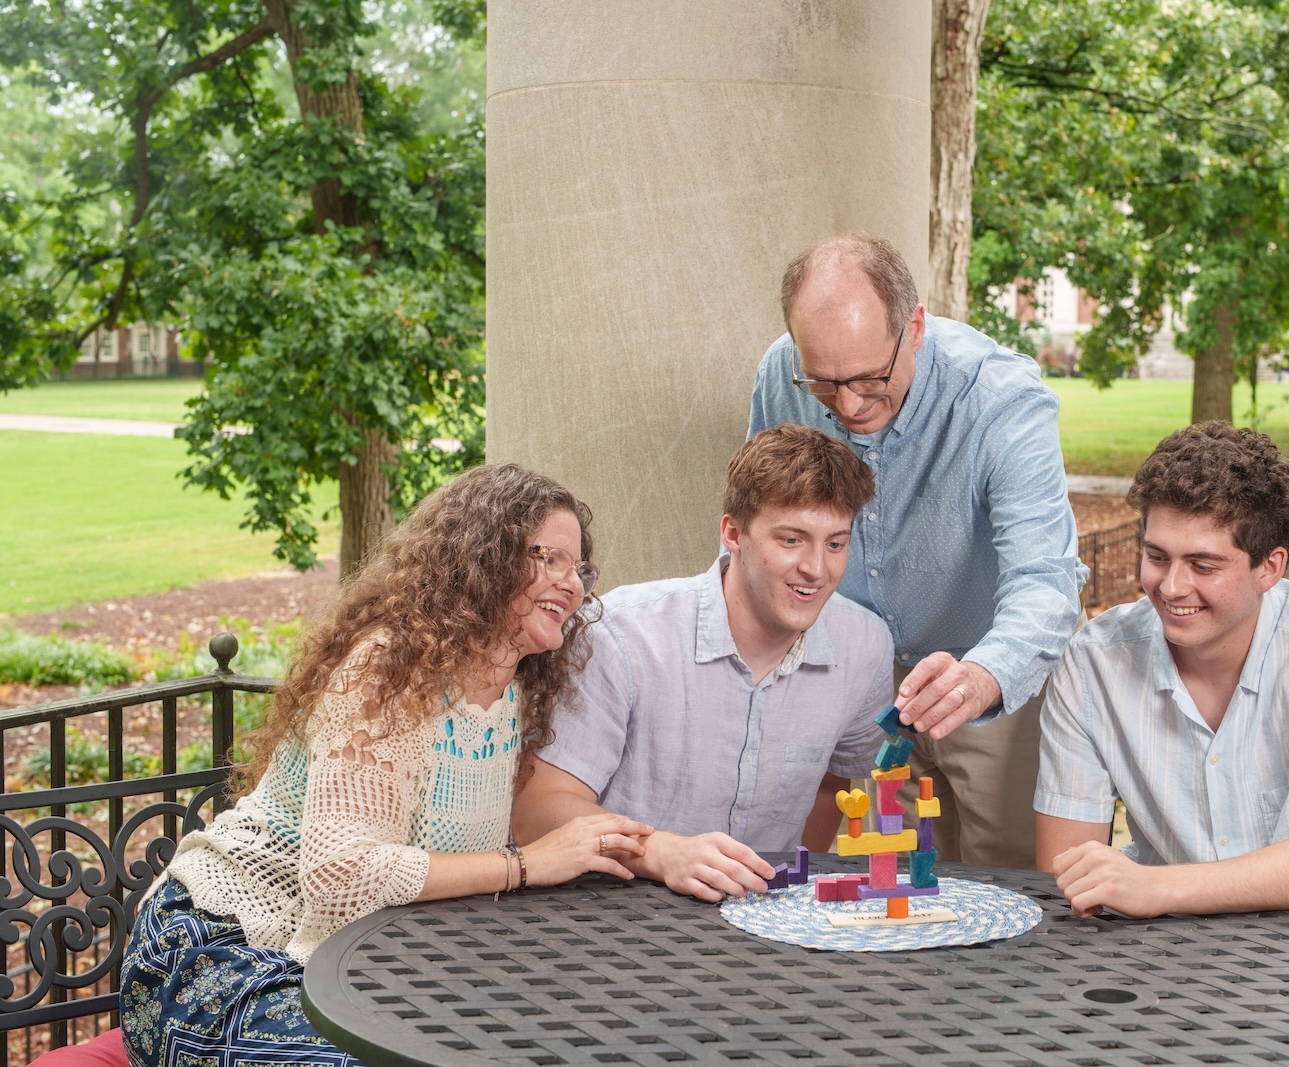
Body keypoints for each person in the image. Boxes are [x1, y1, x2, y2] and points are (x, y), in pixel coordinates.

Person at [119, 465, 651, 1067]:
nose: (573, 584)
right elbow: (342, 876)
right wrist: (526, 865)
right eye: (549, 558)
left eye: (579, 568)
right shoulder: (390, 669)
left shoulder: (515, 694)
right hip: (227, 946)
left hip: (365, 968)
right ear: (483, 559)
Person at [747, 232, 1087, 869]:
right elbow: (762, 519)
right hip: (860, 682)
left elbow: (1046, 579)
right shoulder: (781, 372)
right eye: (824, 382)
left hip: (992, 674)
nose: (848, 406)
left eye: (871, 378)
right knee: (884, 887)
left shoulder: (999, 399)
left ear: (916, 327)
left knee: (1004, 882)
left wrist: (982, 679)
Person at [1034, 422, 1289, 917]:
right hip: (1156, 959)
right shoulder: (1092, 663)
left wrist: (1161, 888)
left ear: (1270, 567)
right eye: (1156, 556)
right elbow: (1063, 870)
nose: (1171, 586)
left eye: (1203, 566)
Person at [514, 424, 894, 902]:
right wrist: (662, 852)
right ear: (733, 533)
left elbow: (832, 786)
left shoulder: (866, 646)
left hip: (766, 921)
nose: (816, 569)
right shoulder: (621, 633)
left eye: (835, 544)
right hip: (611, 907)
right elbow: (537, 808)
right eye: (792, 540)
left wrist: (776, 894)